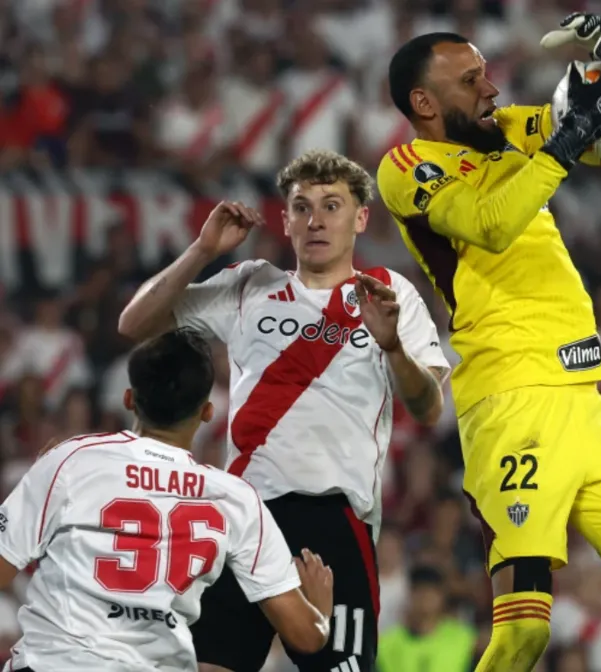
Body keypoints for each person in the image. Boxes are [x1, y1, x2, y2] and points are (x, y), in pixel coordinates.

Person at [376, 17, 601, 672]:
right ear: (424, 102)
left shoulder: (502, 135)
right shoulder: (407, 166)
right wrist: (564, 143)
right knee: (524, 635)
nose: (491, 89)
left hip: (584, 400)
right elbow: (490, 224)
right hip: (509, 401)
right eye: (471, 81)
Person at [118, 150, 451, 672]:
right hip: (245, 516)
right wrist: (203, 249)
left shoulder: (388, 292)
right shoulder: (251, 284)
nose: (316, 220)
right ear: (285, 219)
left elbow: (428, 408)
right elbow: (134, 324)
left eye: (332, 205)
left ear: (361, 217)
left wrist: (392, 348)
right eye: (302, 207)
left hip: (334, 518)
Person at [0, 328, 333, 672]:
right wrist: (320, 613)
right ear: (207, 411)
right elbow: (306, 636)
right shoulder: (237, 498)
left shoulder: (71, 460)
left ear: (129, 399)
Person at [376, 566, 476, 672]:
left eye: (430, 592)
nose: (424, 597)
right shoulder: (386, 645)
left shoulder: (463, 639)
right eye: (419, 591)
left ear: (442, 597)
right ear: (410, 595)